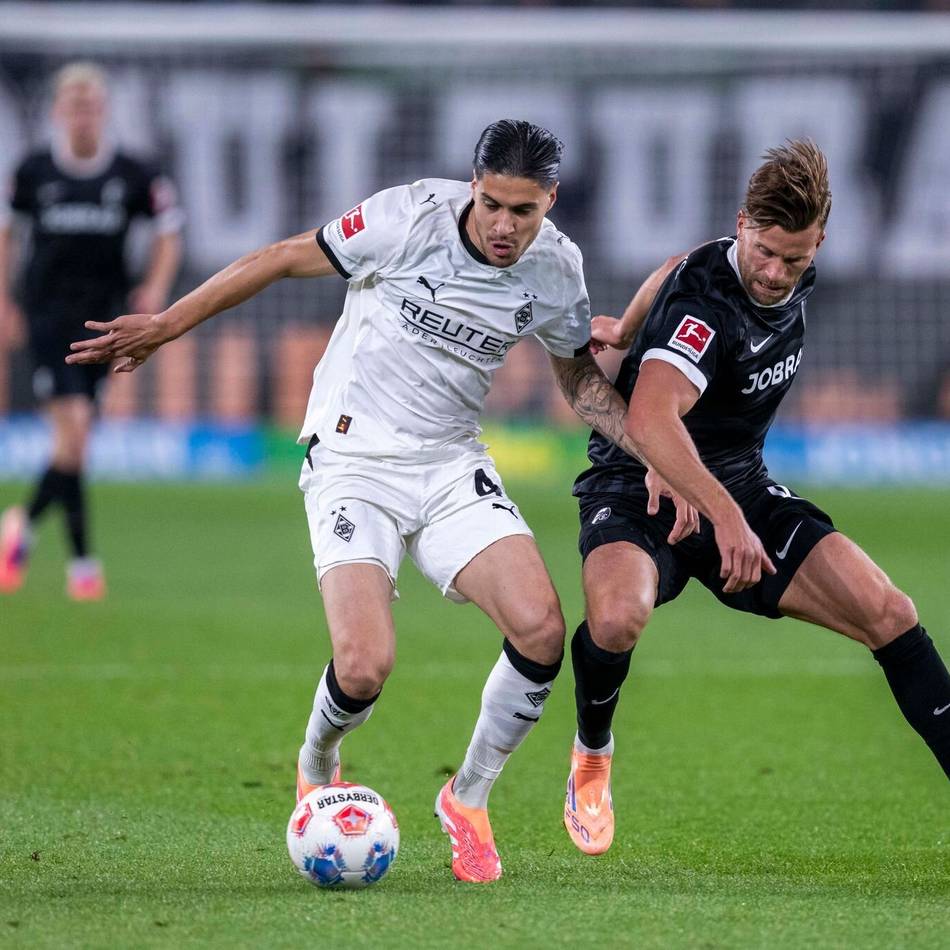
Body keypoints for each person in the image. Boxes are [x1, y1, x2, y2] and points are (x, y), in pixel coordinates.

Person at [65, 119, 686, 882]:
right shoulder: (409, 217)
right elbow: (280, 257)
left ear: (549, 202)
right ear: (473, 183)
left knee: (542, 630)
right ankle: (317, 760)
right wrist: (166, 325)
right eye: (492, 203)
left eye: (523, 211)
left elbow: (579, 384)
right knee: (363, 667)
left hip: (452, 462)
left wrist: (658, 457)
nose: (503, 225)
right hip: (353, 458)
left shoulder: (556, 269)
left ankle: (468, 799)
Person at [563, 140, 950, 856]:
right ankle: (592, 751)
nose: (774, 273)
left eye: (793, 260)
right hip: (639, 478)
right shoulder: (706, 307)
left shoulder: (770, 262)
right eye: (764, 252)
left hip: (738, 481)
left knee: (890, 613)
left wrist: (625, 322)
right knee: (617, 619)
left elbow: (681, 259)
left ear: (818, 244)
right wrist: (725, 516)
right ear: (744, 223)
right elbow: (650, 419)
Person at [0, 62, 183, 600]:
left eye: (91, 106)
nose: (83, 116)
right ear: (58, 112)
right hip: (48, 319)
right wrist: (5, 299)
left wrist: (154, 288)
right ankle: (81, 565)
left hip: (106, 321)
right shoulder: (33, 172)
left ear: (103, 112)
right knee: (75, 431)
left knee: (73, 443)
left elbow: (170, 232)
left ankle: (27, 528)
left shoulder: (134, 173)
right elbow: (8, 234)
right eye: (73, 106)